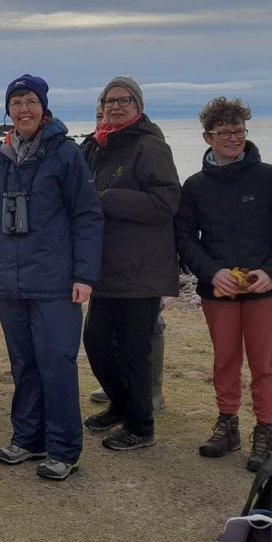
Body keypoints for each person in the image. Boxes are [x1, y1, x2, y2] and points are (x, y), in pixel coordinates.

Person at [0, 76, 103, 481]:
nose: (23, 109)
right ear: (8, 111)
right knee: (23, 363)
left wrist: (84, 274)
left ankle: (64, 448)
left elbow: (87, 215)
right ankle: (28, 438)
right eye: (16, 102)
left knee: (57, 362)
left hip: (55, 279)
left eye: (30, 101)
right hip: (9, 279)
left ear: (43, 108)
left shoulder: (66, 154)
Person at [175, 97, 272, 471]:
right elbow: (185, 237)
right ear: (207, 137)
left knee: (265, 364)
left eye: (239, 131)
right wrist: (211, 272)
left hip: (265, 287)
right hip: (219, 289)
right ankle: (227, 424)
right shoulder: (195, 186)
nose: (233, 138)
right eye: (225, 132)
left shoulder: (269, 177)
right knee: (225, 360)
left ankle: (265, 430)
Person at [81, 77, 180, 452]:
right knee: (97, 343)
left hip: (141, 269)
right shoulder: (100, 145)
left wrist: (107, 198)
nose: (116, 106)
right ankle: (121, 404)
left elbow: (166, 202)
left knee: (135, 350)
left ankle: (141, 424)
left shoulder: (149, 146)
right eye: (110, 101)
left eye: (125, 100)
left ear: (138, 106)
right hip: (106, 267)